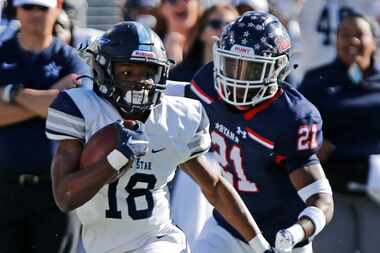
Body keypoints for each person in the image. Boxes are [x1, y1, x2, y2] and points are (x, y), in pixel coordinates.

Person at [45, 21, 280, 253]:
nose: (139, 82)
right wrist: (117, 157)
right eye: (127, 72)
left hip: (158, 241)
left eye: (148, 73)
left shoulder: (175, 117)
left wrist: (261, 247)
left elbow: (215, 186)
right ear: (104, 70)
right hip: (100, 246)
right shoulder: (82, 108)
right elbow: (65, 197)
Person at [169, 11, 334, 253]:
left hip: (283, 238)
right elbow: (169, 95)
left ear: (278, 70)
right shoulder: (207, 84)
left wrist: (297, 231)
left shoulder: (291, 118)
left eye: (252, 69)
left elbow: (322, 199)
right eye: (233, 64)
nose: (238, 78)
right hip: (227, 228)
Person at [0, 0, 90, 252]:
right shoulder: (2, 53)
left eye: (42, 7)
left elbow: (75, 110)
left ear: (57, 7)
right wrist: (50, 96)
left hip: (57, 190)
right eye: (28, 6)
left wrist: (10, 93)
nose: (35, 14)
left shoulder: (72, 59)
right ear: (16, 9)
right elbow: (59, 104)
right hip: (4, 189)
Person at [298, 12, 380, 253]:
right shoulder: (317, 80)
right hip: (333, 191)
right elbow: (297, 124)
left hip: (375, 191)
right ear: (335, 40)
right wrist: (314, 143)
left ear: (373, 40)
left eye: (358, 34)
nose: (351, 41)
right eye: (344, 35)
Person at [169, 3, 239, 82]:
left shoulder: (242, 78)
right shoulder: (178, 75)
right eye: (216, 24)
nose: (223, 30)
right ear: (202, 32)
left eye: (230, 26)